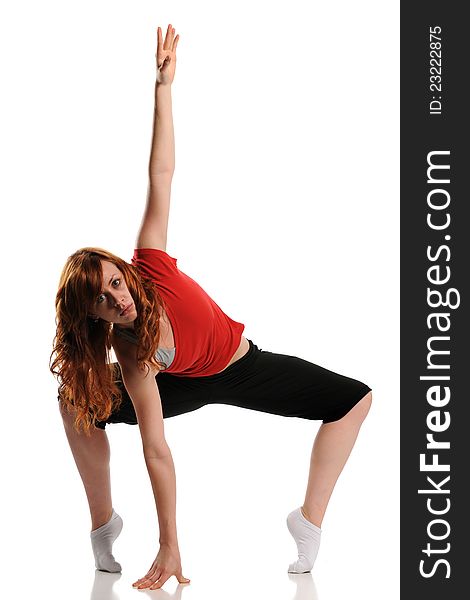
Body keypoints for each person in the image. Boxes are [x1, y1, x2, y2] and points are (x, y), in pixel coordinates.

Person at [50, 23, 372, 591]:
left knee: (353, 399)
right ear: (94, 318)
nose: (117, 298)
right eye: (102, 300)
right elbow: (156, 450)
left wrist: (164, 88)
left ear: (125, 273)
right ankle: (103, 525)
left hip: (241, 366)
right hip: (181, 383)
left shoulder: (151, 263)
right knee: (75, 401)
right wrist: (170, 543)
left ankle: (308, 523)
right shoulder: (132, 353)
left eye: (114, 283)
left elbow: (161, 174)